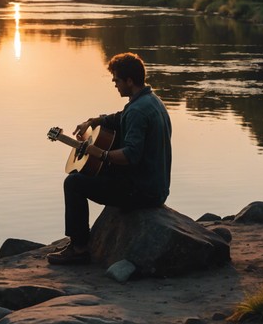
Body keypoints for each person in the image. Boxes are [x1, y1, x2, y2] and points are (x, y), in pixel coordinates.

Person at [47, 51, 172, 266]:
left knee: (74, 182)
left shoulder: (137, 111)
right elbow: (122, 118)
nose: (115, 85)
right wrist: (95, 120)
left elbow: (130, 155)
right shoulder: (150, 101)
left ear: (129, 81)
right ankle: (80, 240)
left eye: (117, 80)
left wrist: (102, 154)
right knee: (91, 170)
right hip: (155, 184)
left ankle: (79, 248)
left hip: (142, 191)